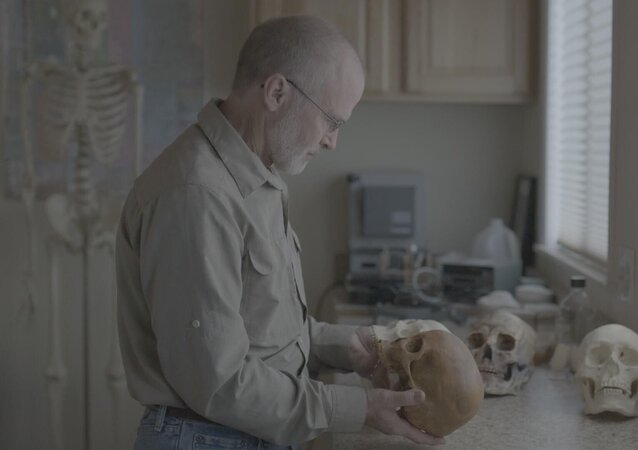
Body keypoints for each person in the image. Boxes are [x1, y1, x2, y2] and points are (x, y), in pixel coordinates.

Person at [115, 15, 444, 449]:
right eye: (332, 121)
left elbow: (261, 332)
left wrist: (352, 347)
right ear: (276, 92)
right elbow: (218, 380)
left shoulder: (257, 179)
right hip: (204, 437)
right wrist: (355, 408)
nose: (332, 142)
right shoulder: (197, 194)